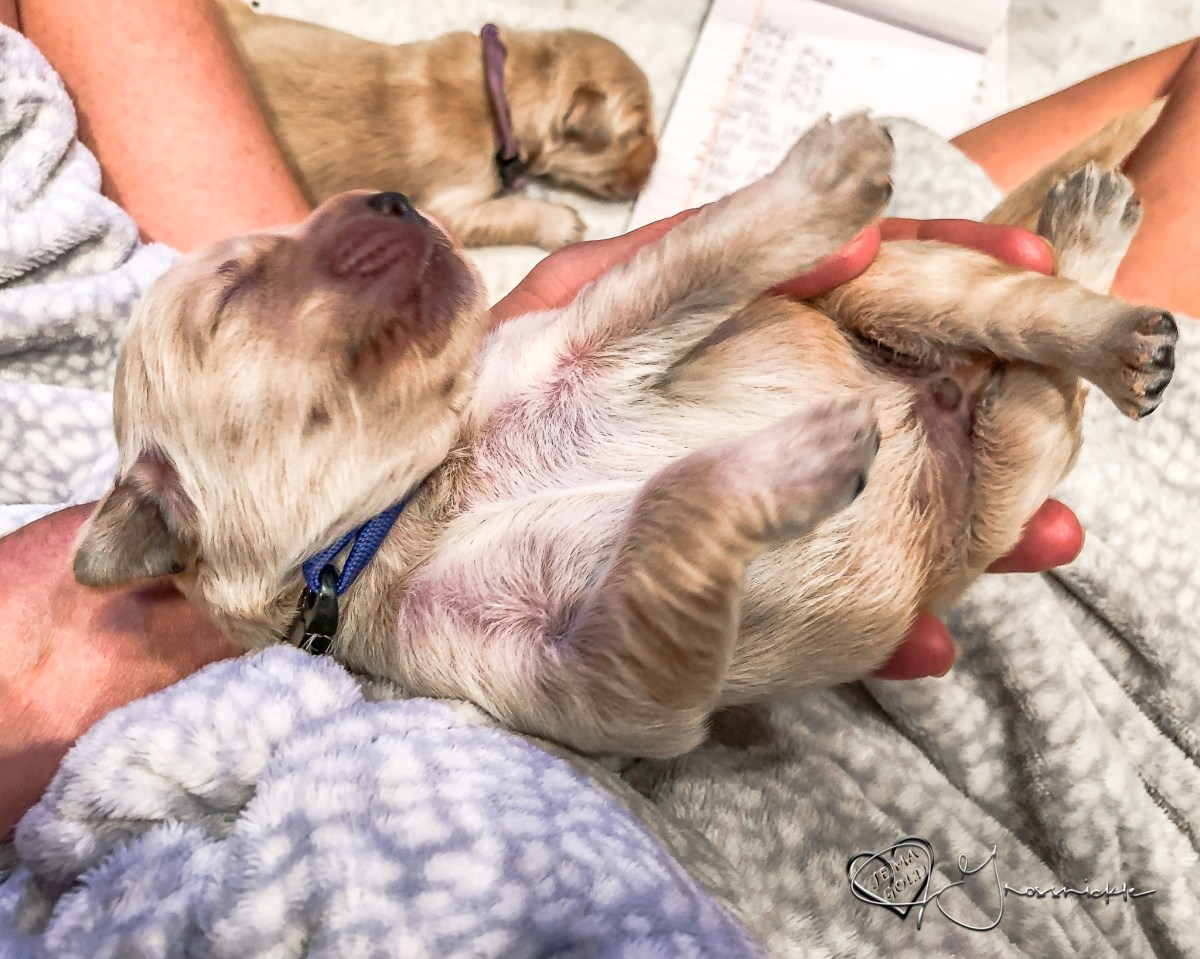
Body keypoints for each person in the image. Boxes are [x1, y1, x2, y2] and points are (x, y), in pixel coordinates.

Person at [0, 0, 1194, 837]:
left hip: (860, 335)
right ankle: (1078, 302)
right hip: (938, 508)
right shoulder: (416, 632)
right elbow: (630, 698)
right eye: (239, 293)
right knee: (1024, 451)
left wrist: (779, 213)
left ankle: (1070, 313)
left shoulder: (444, 423)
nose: (368, 208)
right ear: (168, 511)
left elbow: (627, 305)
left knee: (914, 271)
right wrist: (702, 517)